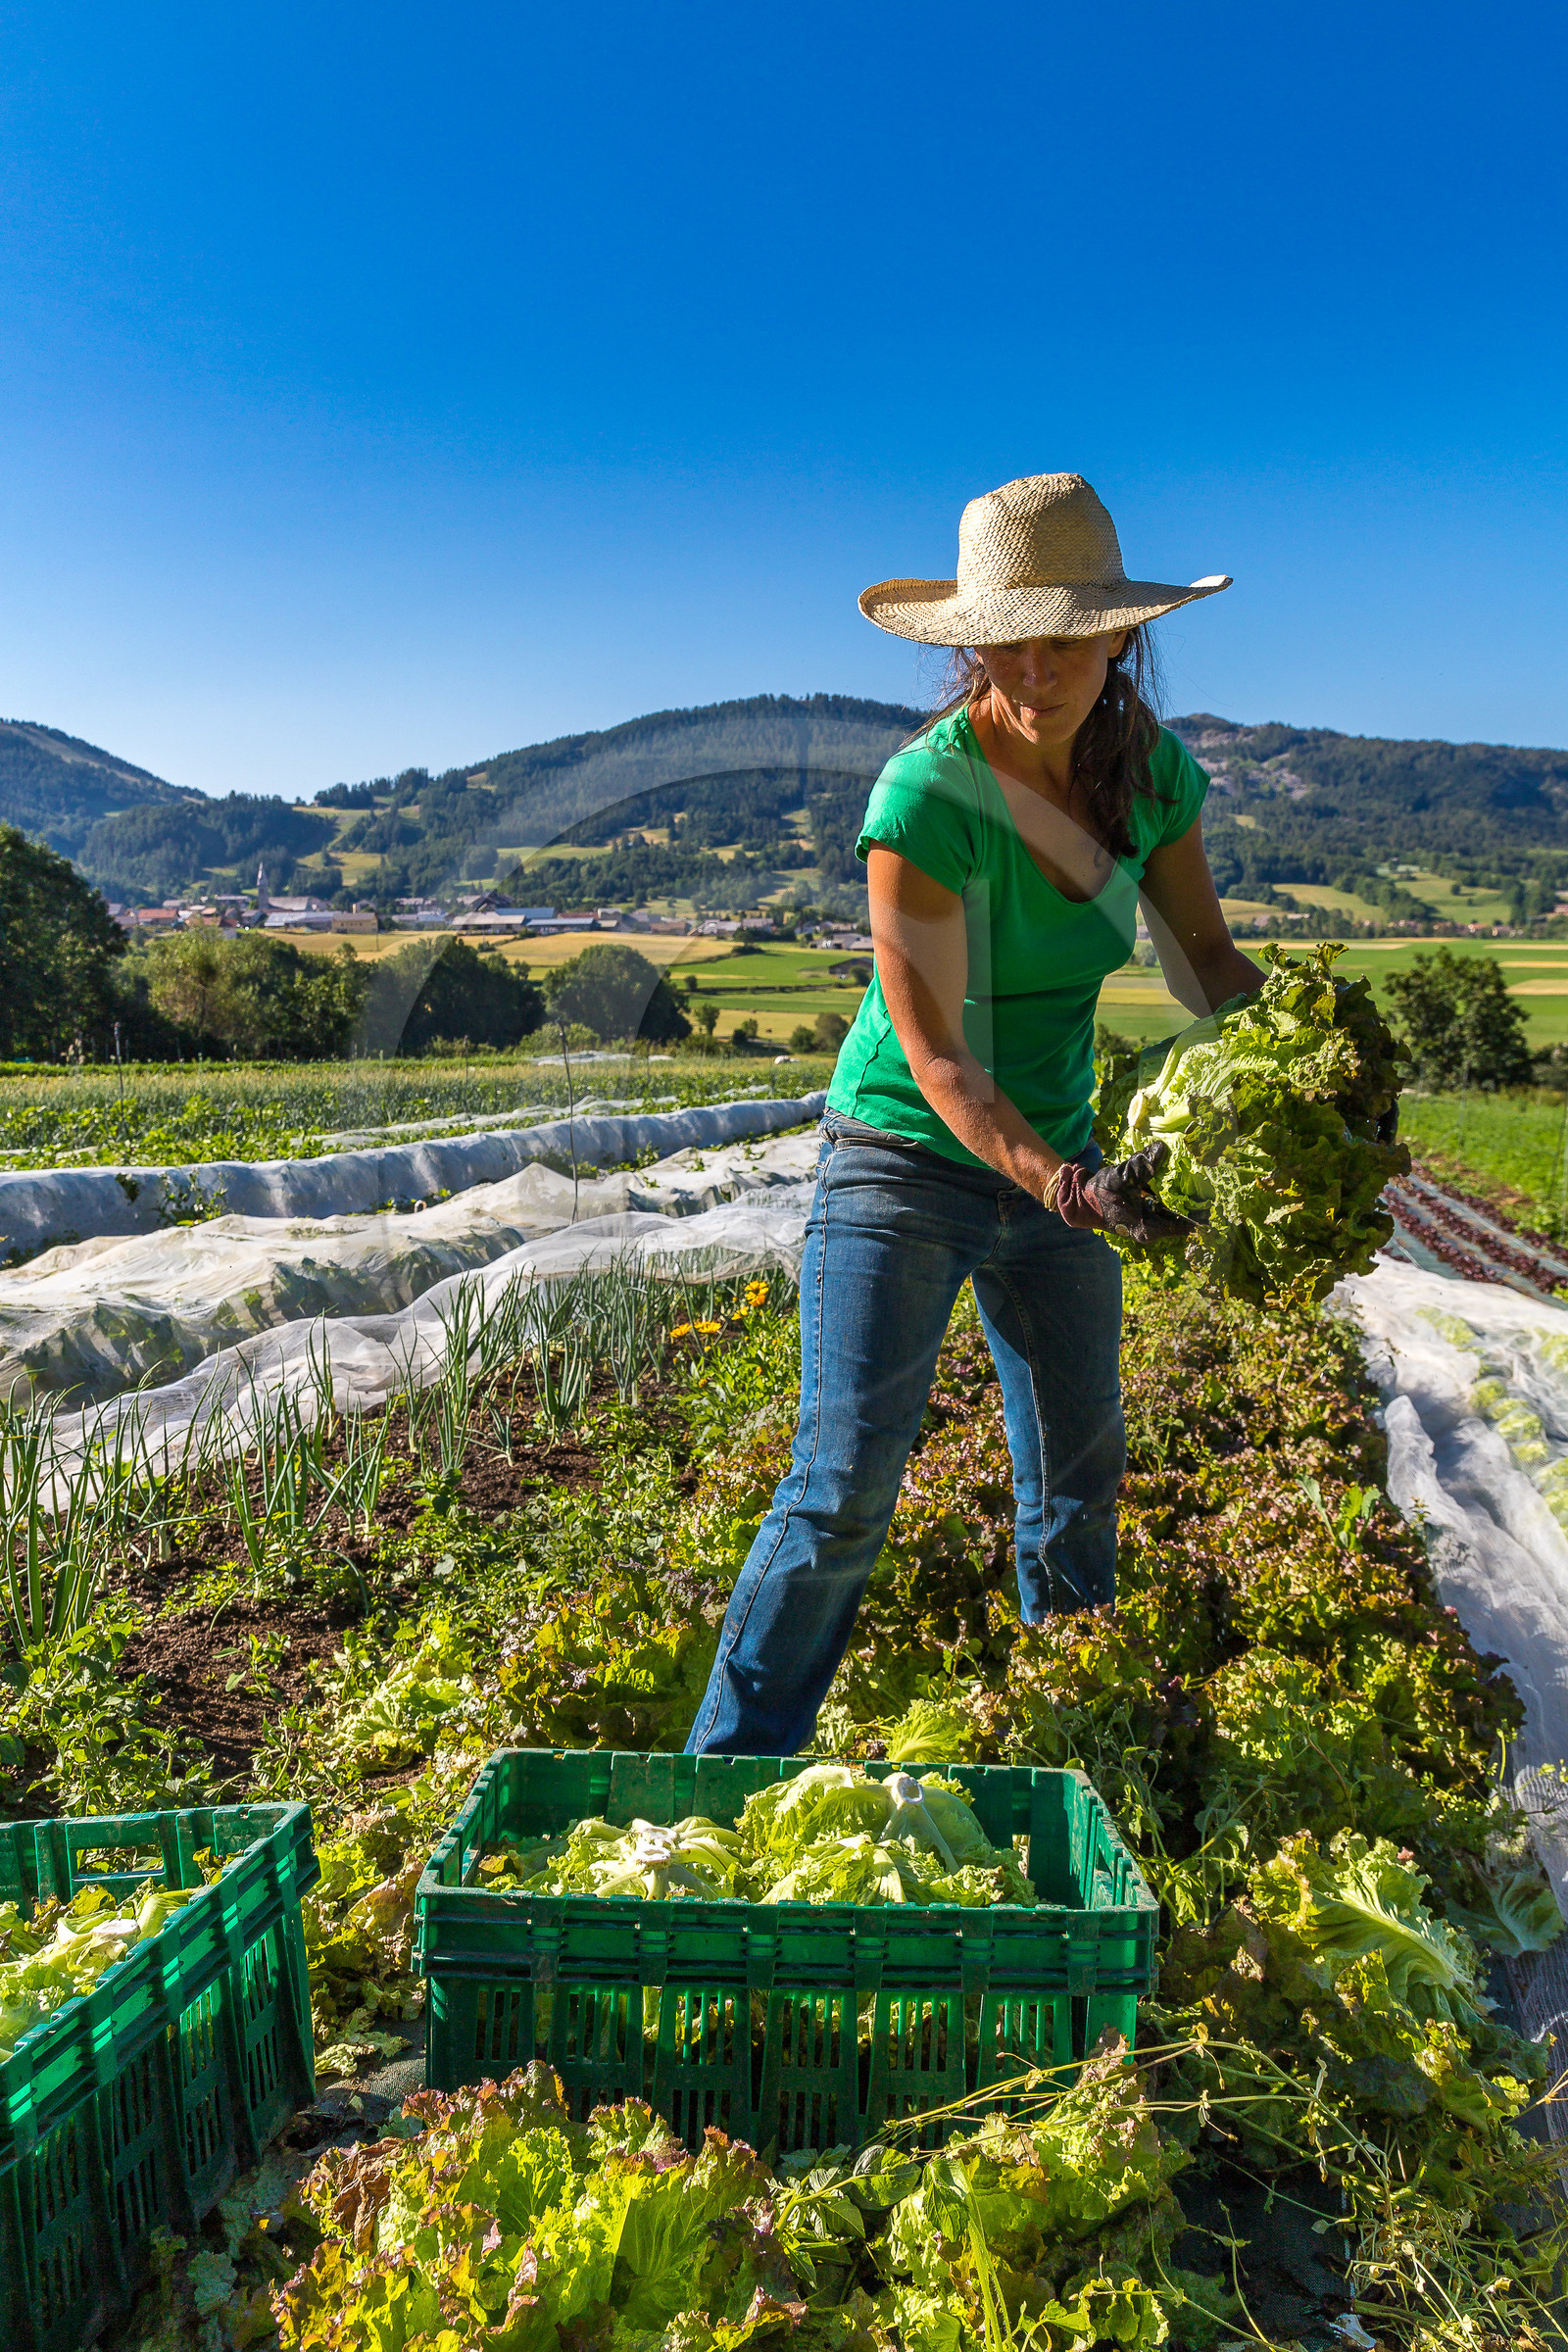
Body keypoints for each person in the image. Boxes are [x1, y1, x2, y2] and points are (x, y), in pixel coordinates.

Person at [686, 472, 1264, 1757]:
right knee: (842, 1489)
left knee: (1076, 1486)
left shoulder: (1152, 775)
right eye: (1008, 634)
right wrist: (1071, 1186)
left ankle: (1073, 1747)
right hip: (903, 1157)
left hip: (1060, 1169)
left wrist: (1305, 1048)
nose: (1036, 664)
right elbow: (941, 1059)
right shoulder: (926, 799)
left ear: (1121, 635)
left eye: (1068, 635)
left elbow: (1205, 960)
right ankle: (723, 1778)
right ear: (969, 640)